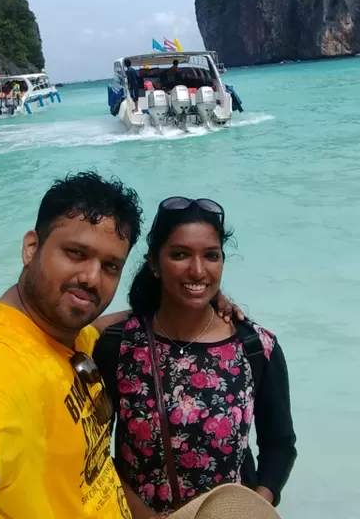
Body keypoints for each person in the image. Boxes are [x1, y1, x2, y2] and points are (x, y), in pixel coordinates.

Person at [0, 171, 144, 519]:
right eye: (75, 253)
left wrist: (189, 305)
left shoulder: (64, 333)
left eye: (110, 266)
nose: (92, 278)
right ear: (31, 247)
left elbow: (96, 325)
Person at [93, 197, 297, 518]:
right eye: (179, 255)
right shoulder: (118, 344)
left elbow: (279, 444)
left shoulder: (257, 347)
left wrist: (251, 508)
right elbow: (94, 450)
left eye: (211, 256)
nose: (198, 270)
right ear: (153, 263)